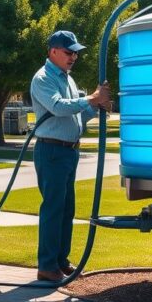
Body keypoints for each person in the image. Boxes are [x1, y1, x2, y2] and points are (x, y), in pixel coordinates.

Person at [30, 30, 112, 282]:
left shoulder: (68, 79)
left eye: (75, 52)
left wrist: (95, 106)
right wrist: (90, 99)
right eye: (69, 52)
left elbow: (76, 115)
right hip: (51, 150)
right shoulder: (43, 78)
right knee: (54, 208)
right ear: (53, 51)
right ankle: (46, 265)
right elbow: (57, 107)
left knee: (66, 209)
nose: (73, 56)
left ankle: (60, 261)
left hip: (67, 151)